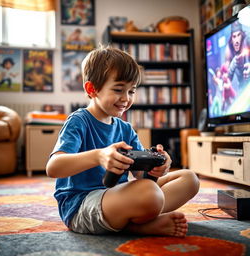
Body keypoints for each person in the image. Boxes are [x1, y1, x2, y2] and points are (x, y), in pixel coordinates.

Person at [46, 45, 200, 236]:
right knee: (149, 193)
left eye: (132, 91)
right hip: (81, 205)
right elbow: (53, 168)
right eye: (119, 89)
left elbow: (141, 177)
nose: (126, 99)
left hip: (119, 197)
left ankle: (139, 219)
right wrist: (99, 156)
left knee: (189, 179)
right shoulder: (79, 121)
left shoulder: (125, 128)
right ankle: (138, 226)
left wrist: (156, 168)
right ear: (92, 89)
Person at [225, 21, 250, 89]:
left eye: (239, 35)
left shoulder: (247, 40)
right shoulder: (229, 49)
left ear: (242, 35)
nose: (236, 41)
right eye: (234, 36)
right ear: (231, 38)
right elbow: (227, 78)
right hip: (242, 85)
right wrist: (233, 64)